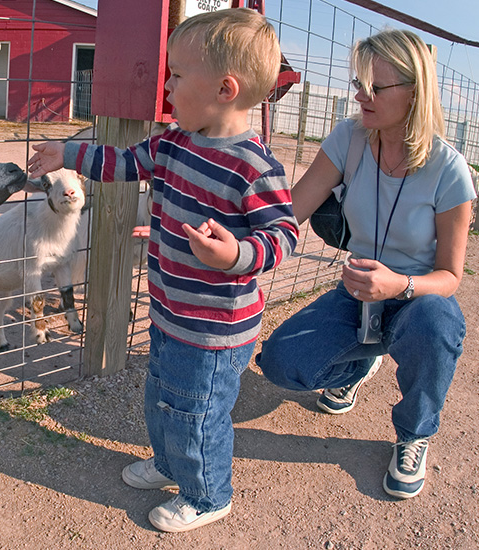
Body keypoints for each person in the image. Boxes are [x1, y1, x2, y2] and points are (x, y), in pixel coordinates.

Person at [28, 8, 298, 532]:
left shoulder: (255, 168)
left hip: (217, 327)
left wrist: (234, 255)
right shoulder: (173, 142)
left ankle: (208, 494)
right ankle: (171, 463)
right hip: (172, 310)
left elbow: (282, 235)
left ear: (224, 88)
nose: (166, 85)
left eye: (176, 74)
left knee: (195, 410)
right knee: (161, 394)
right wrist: (69, 152)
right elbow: (123, 163)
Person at [255, 29, 476, 500]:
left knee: (437, 324)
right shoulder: (349, 138)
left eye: (375, 88)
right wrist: (225, 238)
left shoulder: (450, 170)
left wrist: (399, 284)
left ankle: (414, 433)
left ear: (415, 91)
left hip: (415, 298)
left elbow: (451, 277)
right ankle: (359, 366)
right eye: (359, 84)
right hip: (356, 293)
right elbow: (290, 210)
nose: (360, 96)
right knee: (279, 363)